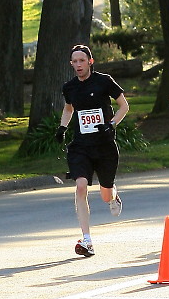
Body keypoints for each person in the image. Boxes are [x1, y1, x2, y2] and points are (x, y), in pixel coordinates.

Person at [55, 44, 129, 257]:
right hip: (81, 146)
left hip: (105, 145)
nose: (78, 65)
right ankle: (87, 240)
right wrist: (62, 127)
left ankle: (113, 196)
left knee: (105, 195)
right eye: (74, 62)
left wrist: (112, 123)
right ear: (71, 64)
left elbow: (124, 106)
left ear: (90, 62)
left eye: (82, 61)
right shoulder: (69, 87)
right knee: (80, 186)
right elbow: (69, 108)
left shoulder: (104, 81)